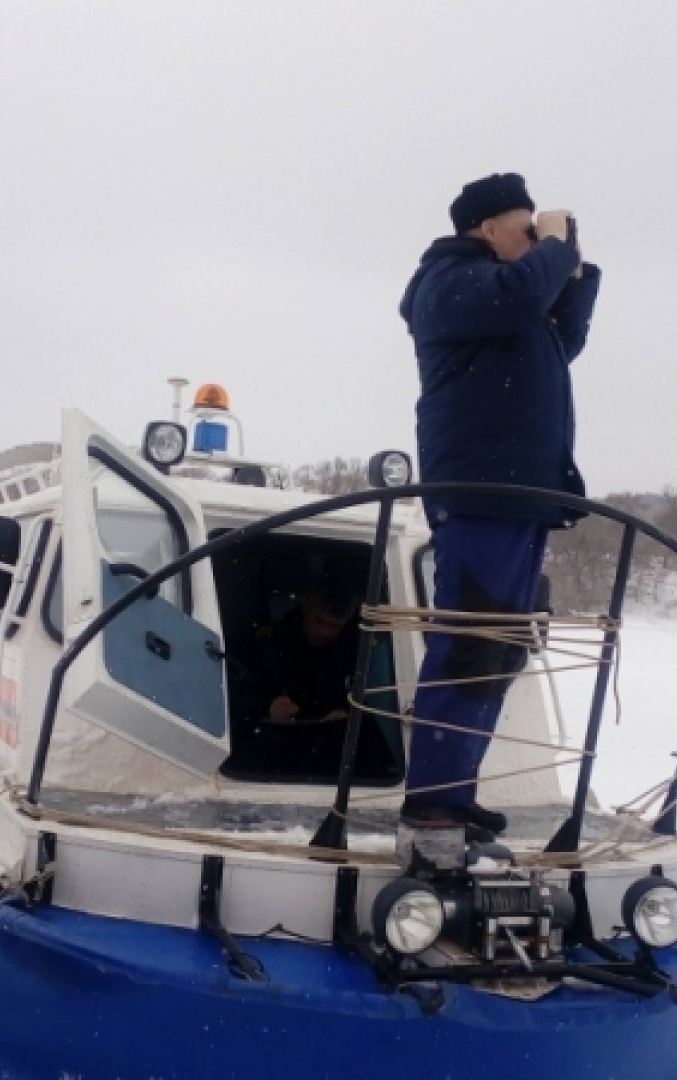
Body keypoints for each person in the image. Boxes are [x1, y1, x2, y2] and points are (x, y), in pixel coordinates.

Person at [396, 173, 600, 840]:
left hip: (515, 494)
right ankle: (433, 799)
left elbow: (561, 341)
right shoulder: (447, 283)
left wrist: (573, 265)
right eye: (526, 230)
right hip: (483, 490)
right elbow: (521, 298)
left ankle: (453, 791)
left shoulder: (503, 301)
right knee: (469, 642)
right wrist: (552, 252)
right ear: (486, 229)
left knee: (497, 650)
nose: (535, 241)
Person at [229, 578, 396, 778]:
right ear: (306, 608)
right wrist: (268, 706)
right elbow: (235, 695)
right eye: (319, 621)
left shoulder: (360, 654)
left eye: (334, 626)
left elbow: (380, 702)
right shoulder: (269, 644)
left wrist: (348, 712)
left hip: (336, 753)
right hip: (276, 751)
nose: (324, 632)